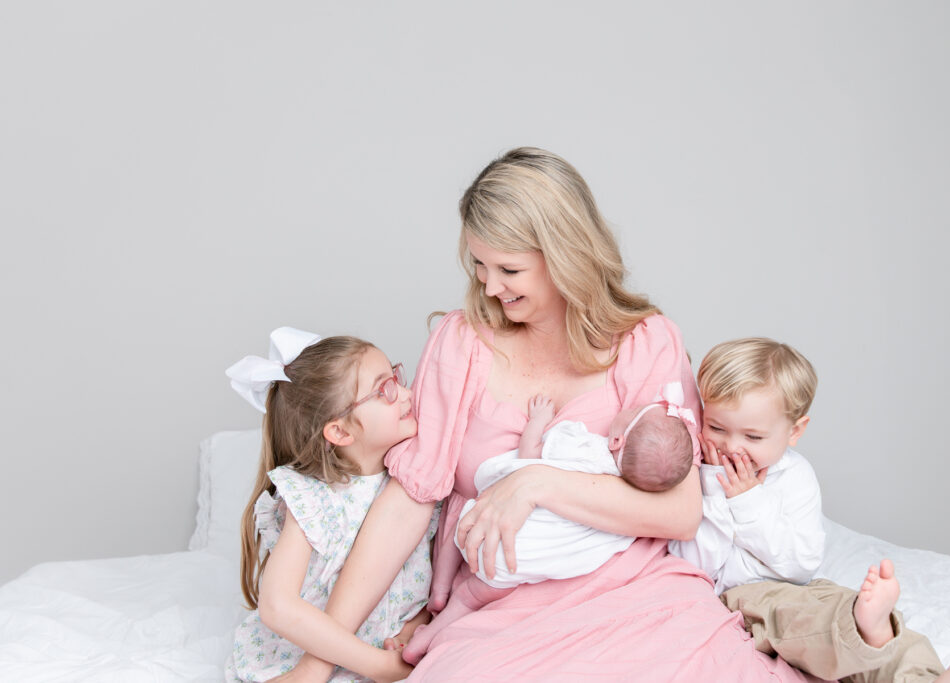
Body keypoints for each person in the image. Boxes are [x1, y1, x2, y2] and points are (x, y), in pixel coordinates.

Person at [279, 147, 829, 681]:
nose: (490, 288)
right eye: (479, 266)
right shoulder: (461, 342)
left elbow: (680, 512)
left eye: (510, 269)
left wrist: (537, 483)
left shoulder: (646, 344)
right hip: (496, 609)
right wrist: (321, 658)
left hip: (635, 594)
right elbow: (407, 502)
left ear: (565, 254)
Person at [670, 337, 950, 683]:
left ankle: (924, 675)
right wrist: (723, 495)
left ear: (794, 431)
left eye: (753, 437)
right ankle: (861, 628)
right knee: (811, 624)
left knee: (867, 618)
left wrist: (749, 501)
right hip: (744, 598)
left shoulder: (796, 477)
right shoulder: (696, 470)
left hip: (801, 589)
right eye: (716, 428)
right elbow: (694, 563)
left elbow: (801, 565)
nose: (732, 447)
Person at [224, 327, 438, 682]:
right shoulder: (315, 498)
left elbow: (426, 585)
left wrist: (415, 626)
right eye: (385, 389)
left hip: (396, 654)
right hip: (321, 662)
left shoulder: (416, 480)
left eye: (396, 377)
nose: (406, 393)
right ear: (339, 432)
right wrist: (377, 665)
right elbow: (278, 607)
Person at [456, 385, 694, 588]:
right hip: (527, 563)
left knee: (464, 520)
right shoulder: (623, 494)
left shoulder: (584, 448)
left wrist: (538, 421)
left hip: (499, 539)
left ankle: (441, 590)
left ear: (616, 440)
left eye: (633, 411)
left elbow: (529, 455)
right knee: (481, 585)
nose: (628, 407)